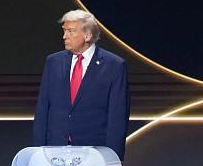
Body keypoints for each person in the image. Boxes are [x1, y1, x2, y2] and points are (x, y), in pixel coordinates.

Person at [31, 8, 130, 156]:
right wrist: (37, 152)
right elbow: (42, 109)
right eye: (64, 31)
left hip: (94, 152)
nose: (64, 36)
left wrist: (112, 158)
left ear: (88, 35)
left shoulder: (114, 66)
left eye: (70, 31)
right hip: (55, 150)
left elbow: (117, 116)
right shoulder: (53, 62)